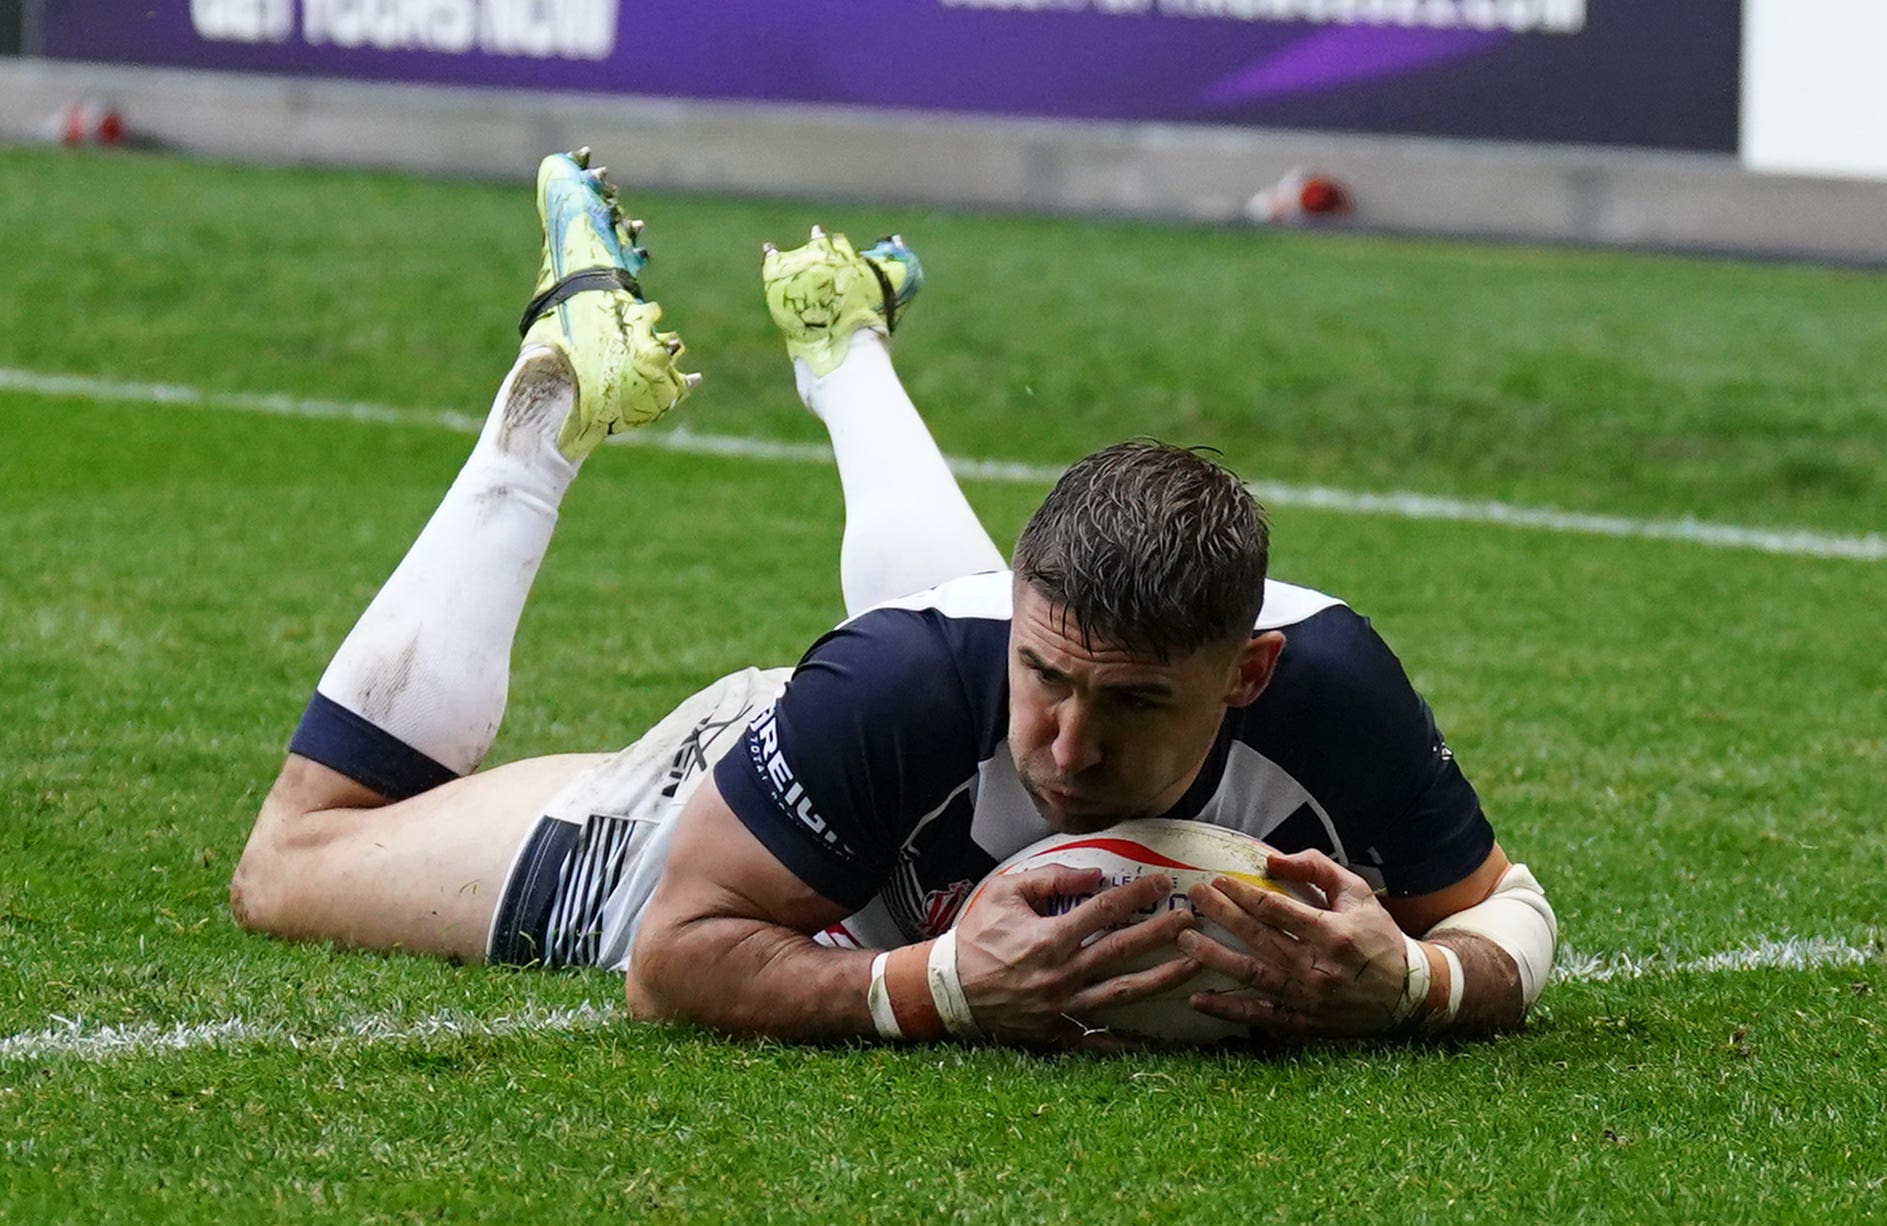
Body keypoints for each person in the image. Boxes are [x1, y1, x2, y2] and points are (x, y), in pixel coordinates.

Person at [231, 151, 1558, 1048]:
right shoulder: (921, 677)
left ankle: (839, 333)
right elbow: (673, 955)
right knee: (295, 862)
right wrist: (933, 987)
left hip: (893, 731)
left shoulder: (1332, 687)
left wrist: (1420, 980)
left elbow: (1508, 905)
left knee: (948, 677)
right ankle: (554, 403)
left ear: (1246, 674)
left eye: (1136, 701)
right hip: (746, 796)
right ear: (1020, 619)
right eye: (1049, 678)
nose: (1073, 744)